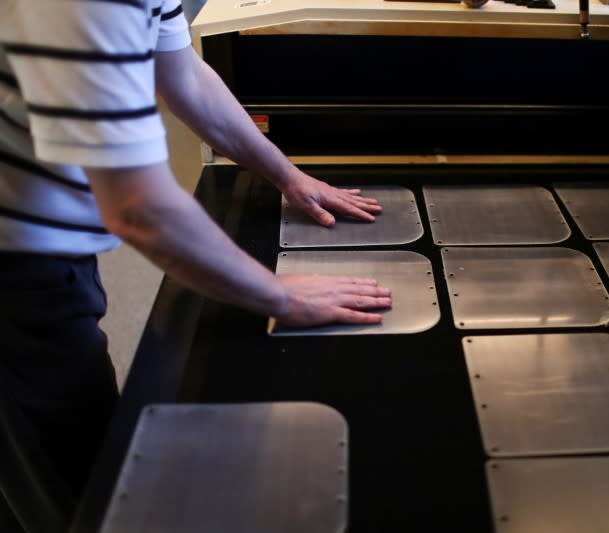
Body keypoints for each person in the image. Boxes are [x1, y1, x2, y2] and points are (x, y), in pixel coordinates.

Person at [0, 1, 392, 531]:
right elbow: (140, 208)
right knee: (74, 485)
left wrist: (287, 175)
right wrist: (282, 296)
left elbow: (181, 73)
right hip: (15, 264)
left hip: (46, 235)